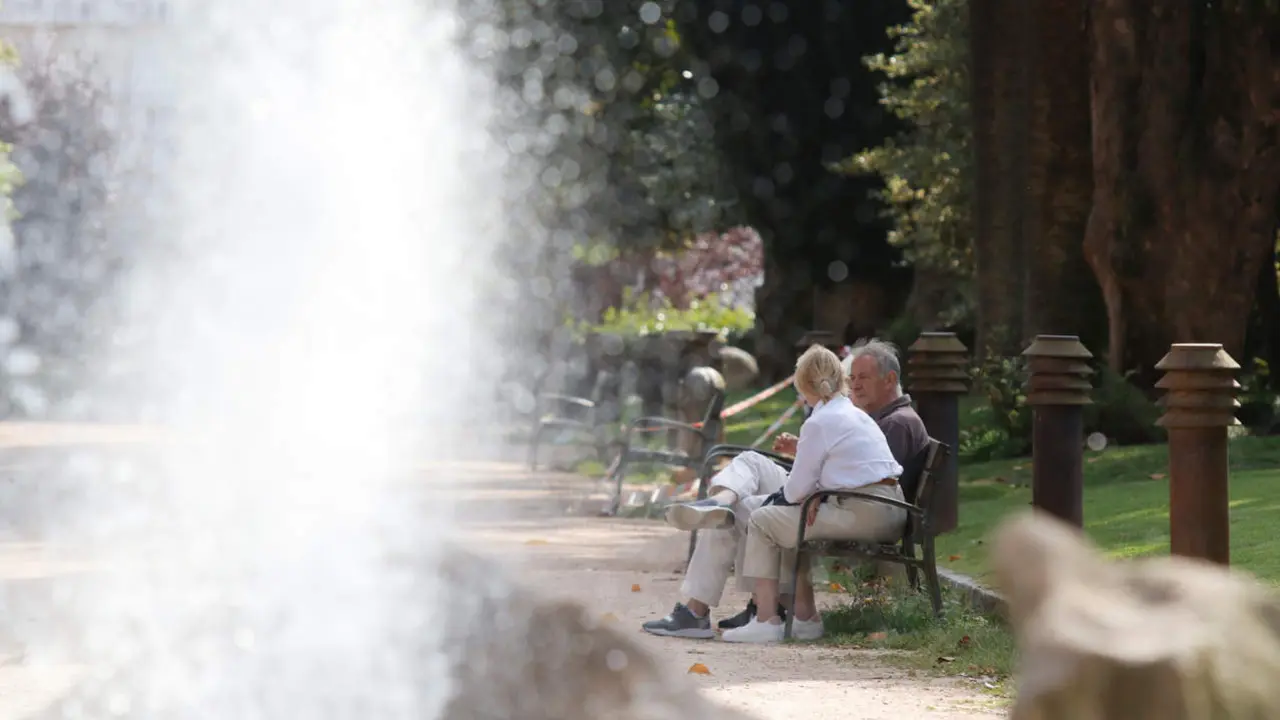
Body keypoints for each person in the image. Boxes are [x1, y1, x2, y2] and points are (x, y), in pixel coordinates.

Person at [721, 345, 906, 643]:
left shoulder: (818, 422)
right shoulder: (853, 413)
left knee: (762, 519)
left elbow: (794, 492)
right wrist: (818, 494)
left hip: (864, 512)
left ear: (803, 386)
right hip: (890, 507)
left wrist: (811, 494)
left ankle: (766, 619)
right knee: (785, 520)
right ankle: (805, 618)